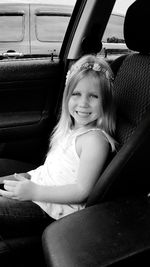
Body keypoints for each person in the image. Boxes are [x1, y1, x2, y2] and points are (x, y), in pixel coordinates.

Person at [0, 54, 116, 248]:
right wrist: (26, 177)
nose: (83, 103)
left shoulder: (94, 140)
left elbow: (81, 191)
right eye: (76, 94)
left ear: (106, 101)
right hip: (41, 189)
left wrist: (34, 191)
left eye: (93, 96)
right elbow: (51, 170)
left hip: (54, 210)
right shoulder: (71, 129)